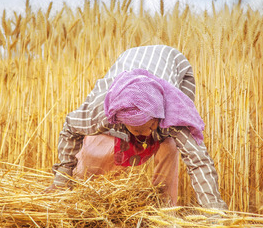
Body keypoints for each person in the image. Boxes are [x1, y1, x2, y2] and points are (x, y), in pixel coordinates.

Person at [45, 45, 228, 210]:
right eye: (137, 130)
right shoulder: (102, 111)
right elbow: (70, 127)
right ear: (120, 120)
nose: (146, 134)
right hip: (128, 60)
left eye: (150, 126)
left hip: (176, 64)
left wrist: (214, 210)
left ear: (158, 115)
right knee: (97, 149)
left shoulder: (173, 114)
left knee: (168, 142)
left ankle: (163, 209)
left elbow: (199, 161)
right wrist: (62, 180)